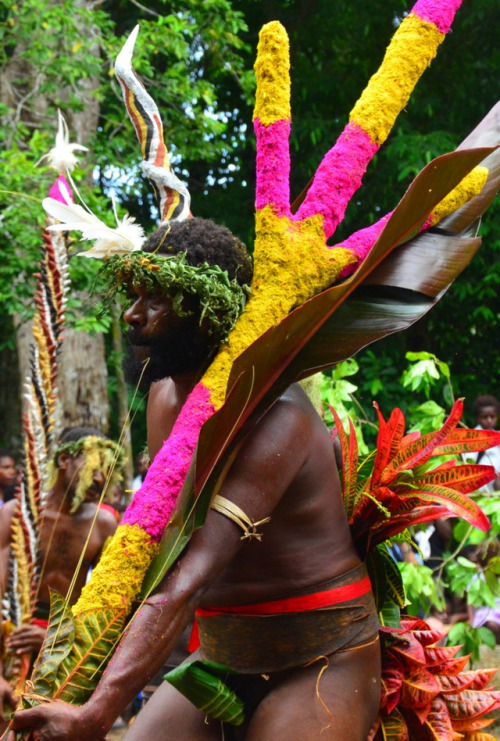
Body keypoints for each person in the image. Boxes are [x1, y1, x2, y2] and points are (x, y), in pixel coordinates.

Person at [10, 218, 381, 740]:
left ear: (208, 311)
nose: (132, 315)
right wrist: (70, 673)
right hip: (222, 652)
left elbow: (190, 576)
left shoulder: (276, 416)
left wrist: (97, 712)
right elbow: (150, 548)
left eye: (155, 301)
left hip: (320, 652)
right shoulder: (164, 398)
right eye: (133, 296)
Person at [0, 427, 121, 723]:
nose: (100, 479)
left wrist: (56, 638)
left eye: (107, 471)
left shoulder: (104, 524)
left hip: (65, 645)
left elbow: (106, 608)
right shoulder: (17, 512)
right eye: (93, 467)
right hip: (10, 638)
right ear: (64, 460)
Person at [471, 394, 500, 490]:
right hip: (478, 491)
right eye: (485, 417)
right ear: (478, 418)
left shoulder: (498, 436)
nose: (489, 420)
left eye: (492, 416)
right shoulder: (471, 438)